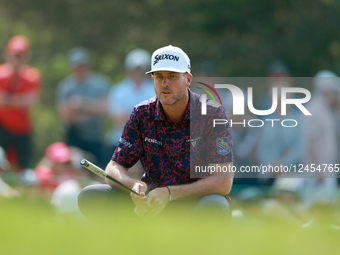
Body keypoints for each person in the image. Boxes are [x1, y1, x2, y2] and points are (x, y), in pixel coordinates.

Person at [78, 45, 234, 221]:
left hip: (193, 203)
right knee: (91, 195)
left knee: (215, 205)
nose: (165, 83)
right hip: (152, 204)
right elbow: (114, 167)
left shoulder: (213, 114)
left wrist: (169, 194)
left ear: (188, 79)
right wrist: (133, 185)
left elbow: (223, 182)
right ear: (153, 79)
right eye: (159, 77)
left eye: (172, 76)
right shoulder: (142, 113)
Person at [56, 47, 110, 168]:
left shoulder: (100, 84)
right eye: (76, 67)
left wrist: (81, 105)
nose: (80, 70)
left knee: (97, 169)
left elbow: (104, 110)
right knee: (74, 166)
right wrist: (91, 112)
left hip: (95, 136)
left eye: (82, 66)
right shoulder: (65, 87)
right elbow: (65, 115)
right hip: (74, 136)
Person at [0, 35, 41, 172]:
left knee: (22, 166)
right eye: (15, 55)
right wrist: (19, 100)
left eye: (20, 55)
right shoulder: (1, 73)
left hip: (22, 128)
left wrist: (8, 100)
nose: (17, 59)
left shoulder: (32, 75)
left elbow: (31, 101)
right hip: (3, 126)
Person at [301, 70, 339, 209]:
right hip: (318, 173)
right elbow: (309, 141)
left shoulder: (326, 110)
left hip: (326, 170)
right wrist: (318, 170)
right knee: (314, 208)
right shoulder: (314, 110)